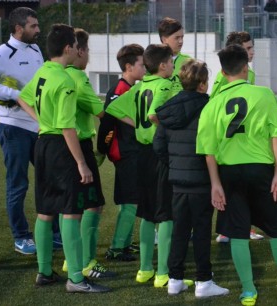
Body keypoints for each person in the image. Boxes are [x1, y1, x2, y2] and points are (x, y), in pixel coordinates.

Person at [196, 44, 277, 306]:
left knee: (237, 233)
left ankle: (248, 291)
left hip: (229, 173)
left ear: (223, 73)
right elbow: (276, 134)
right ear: (246, 67)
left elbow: (208, 151)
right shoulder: (264, 94)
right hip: (261, 170)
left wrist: (215, 184)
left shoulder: (212, 104)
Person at [17, 23, 109, 293]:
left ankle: (44, 272)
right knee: (71, 212)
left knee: (45, 212)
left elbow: (22, 98)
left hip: (43, 142)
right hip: (60, 147)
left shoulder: (44, 70)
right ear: (69, 48)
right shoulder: (66, 80)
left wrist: (42, 121)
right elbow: (68, 127)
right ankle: (77, 280)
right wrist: (82, 163)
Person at [106, 44, 193, 289]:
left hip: (142, 153)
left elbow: (112, 108)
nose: (174, 66)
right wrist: (166, 129)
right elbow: (156, 115)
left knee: (146, 214)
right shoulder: (164, 85)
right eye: (172, 63)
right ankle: (163, 273)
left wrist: (139, 126)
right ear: (164, 65)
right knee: (166, 214)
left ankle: (145, 270)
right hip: (160, 153)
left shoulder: (141, 86)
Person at [152, 59, 229, 298]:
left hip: (177, 180)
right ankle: (203, 280)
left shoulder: (170, 107)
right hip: (203, 179)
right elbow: (218, 145)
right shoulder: (210, 107)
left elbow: (158, 146)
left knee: (180, 230)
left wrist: (175, 165)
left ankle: (175, 278)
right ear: (203, 84)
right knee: (202, 231)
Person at [0, 7, 61, 255]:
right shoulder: (0, 55)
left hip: (40, 126)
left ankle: (53, 233)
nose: (38, 30)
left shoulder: (35, 49)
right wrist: (14, 95)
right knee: (18, 184)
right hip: (14, 129)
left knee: (48, 180)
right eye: (33, 26)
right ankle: (21, 236)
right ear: (19, 28)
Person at [62, 28, 115, 279]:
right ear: (79, 51)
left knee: (70, 206)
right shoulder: (77, 76)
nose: (89, 56)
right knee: (93, 206)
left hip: (59, 144)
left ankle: (69, 260)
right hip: (79, 144)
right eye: (88, 51)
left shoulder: (58, 74)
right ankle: (86, 261)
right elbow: (101, 111)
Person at [209, 31, 264, 243]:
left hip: (240, 137)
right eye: (248, 48)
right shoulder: (226, 76)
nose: (252, 52)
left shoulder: (249, 73)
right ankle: (234, 229)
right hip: (230, 140)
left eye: (252, 47)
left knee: (235, 187)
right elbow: (214, 101)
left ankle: (230, 230)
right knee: (239, 186)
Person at [98, 44, 145, 262]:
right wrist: (105, 149)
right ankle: (116, 248)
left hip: (131, 151)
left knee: (130, 199)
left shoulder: (130, 87)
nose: (145, 68)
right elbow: (107, 122)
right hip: (126, 153)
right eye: (141, 64)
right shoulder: (120, 90)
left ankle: (124, 244)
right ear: (128, 66)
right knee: (130, 200)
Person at [158, 17, 192, 98]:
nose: (181, 41)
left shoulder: (188, 61)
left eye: (182, 37)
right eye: (177, 38)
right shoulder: (153, 60)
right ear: (164, 39)